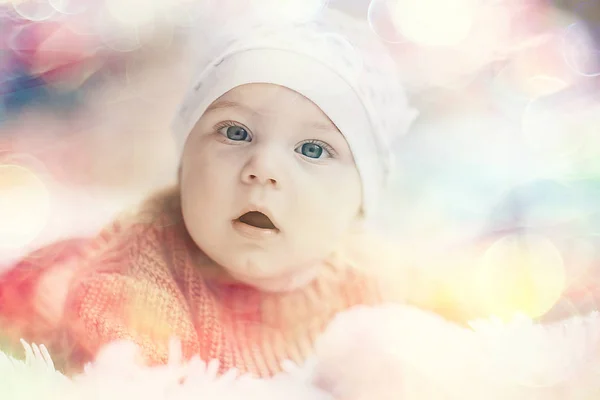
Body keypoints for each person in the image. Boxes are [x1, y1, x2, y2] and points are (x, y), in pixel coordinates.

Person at [1, 7, 418, 376]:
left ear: (361, 202)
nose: (263, 169)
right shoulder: (129, 285)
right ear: (183, 163)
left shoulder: (366, 284)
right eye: (236, 132)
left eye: (312, 149)